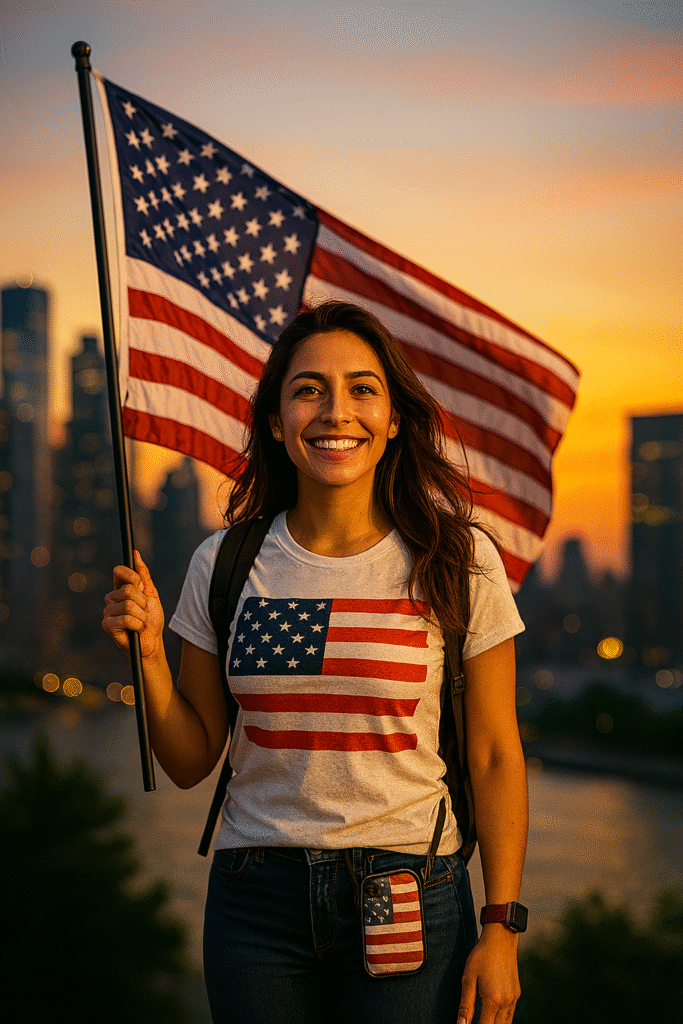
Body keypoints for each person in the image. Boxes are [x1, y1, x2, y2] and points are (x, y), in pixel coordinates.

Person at [103, 300, 528, 1024]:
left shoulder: (457, 560)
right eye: (308, 390)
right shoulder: (224, 562)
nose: (336, 412)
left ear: (393, 418)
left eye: (362, 389)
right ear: (276, 420)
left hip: (409, 894)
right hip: (254, 901)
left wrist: (501, 928)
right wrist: (148, 659)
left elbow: (492, 753)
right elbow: (188, 760)